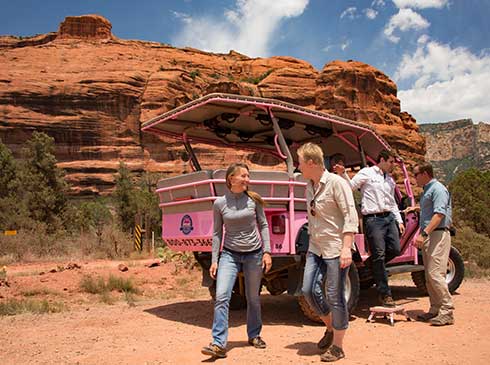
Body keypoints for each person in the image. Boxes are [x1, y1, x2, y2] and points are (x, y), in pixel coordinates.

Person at [201, 163, 273, 359]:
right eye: (243, 176)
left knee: (253, 298)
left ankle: (254, 335)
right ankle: (218, 343)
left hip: (254, 254)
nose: (247, 179)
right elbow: (216, 233)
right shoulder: (219, 203)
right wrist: (214, 260)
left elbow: (264, 225)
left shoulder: (254, 200)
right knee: (222, 296)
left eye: (248, 176)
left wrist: (267, 252)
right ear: (231, 178)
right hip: (229, 254)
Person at [297, 143, 358, 362]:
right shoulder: (309, 185)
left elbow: (350, 215)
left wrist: (346, 248)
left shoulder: (336, 183)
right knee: (308, 290)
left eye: (301, 162)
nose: (299, 167)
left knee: (335, 294)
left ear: (311, 163)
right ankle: (331, 328)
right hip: (316, 247)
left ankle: (338, 346)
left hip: (335, 247)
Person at [335, 150, 405, 307]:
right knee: (379, 255)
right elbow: (350, 187)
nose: (393, 165)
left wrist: (399, 220)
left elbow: (392, 202)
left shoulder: (390, 180)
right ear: (382, 159)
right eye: (391, 162)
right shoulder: (367, 173)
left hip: (389, 217)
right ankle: (385, 294)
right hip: (373, 220)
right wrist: (343, 173)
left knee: (395, 249)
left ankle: (371, 268)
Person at [410, 162, 455, 326]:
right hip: (432, 235)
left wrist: (424, 233)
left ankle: (447, 311)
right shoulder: (427, 190)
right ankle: (435, 309)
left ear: (425, 174)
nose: (414, 178)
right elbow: (430, 211)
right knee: (430, 276)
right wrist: (415, 209)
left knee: (436, 273)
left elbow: (439, 214)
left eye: (415, 174)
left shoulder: (438, 189)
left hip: (437, 234)